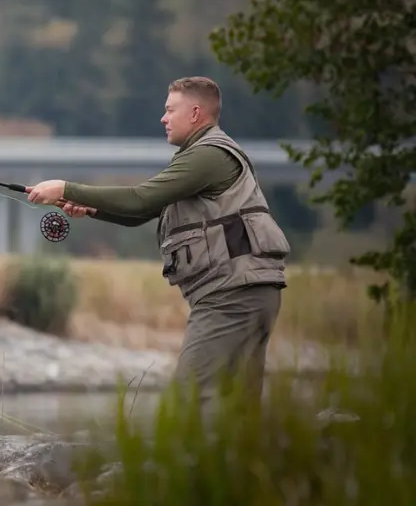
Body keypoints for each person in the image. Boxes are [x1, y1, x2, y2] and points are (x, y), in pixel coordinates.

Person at [25, 76, 292, 410]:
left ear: (195, 113)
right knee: (233, 406)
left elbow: (140, 198)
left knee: (188, 403)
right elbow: (146, 211)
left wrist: (66, 188)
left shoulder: (208, 155)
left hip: (231, 296)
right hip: (247, 290)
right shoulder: (201, 156)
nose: (163, 118)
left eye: (170, 110)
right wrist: (92, 209)